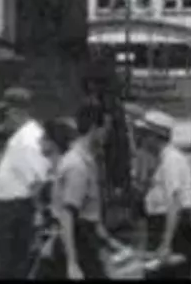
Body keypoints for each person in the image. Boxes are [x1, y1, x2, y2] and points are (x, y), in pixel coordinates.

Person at [48, 102, 126, 281]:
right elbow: (67, 216)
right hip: (76, 241)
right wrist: (72, 262)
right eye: (104, 129)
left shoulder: (87, 161)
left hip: (85, 239)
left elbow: (90, 212)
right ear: (93, 128)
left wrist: (110, 242)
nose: (107, 134)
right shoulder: (77, 165)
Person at [0, 87, 52, 279]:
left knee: (12, 266)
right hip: (12, 210)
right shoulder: (24, 135)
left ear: (16, 112)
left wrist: (39, 213)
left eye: (5, 114)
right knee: (10, 265)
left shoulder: (28, 139)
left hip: (17, 210)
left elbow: (38, 179)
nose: (3, 120)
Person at [141, 111, 191, 280]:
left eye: (145, 134)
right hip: (166, 228)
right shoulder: (165, 159)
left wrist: (166, 243)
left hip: (172, 230)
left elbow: (174, 204)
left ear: (155, 136)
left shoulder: (171, 161)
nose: (141, 139)